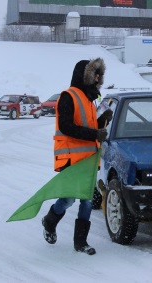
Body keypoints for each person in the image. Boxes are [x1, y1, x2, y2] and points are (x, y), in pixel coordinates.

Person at [41, 58, 113, 256]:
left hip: (89, 159)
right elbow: (66, 126)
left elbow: (89, 128)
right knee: (68, 199)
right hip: (71, 158)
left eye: (100, 74)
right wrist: (94, 134)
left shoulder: (91, 99)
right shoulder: (68, 96)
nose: (98, 78)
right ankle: (49, 221)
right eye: (95, 74)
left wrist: (101, 122)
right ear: (85, 75)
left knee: (88, 201)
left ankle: (80, 243)